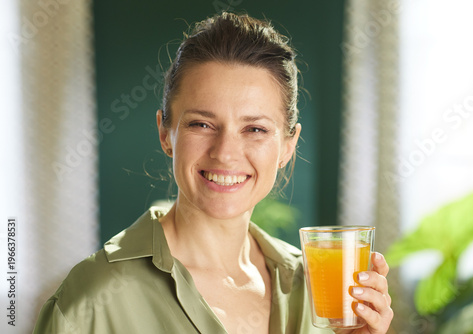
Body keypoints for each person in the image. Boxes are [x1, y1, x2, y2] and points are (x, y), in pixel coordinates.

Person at [33, 12, 393, 334]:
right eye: (202, 124)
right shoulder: (90, 300)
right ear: (165, 133)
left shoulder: (318, 290)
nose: (225, 153)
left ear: (287, 145)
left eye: (255, 129)